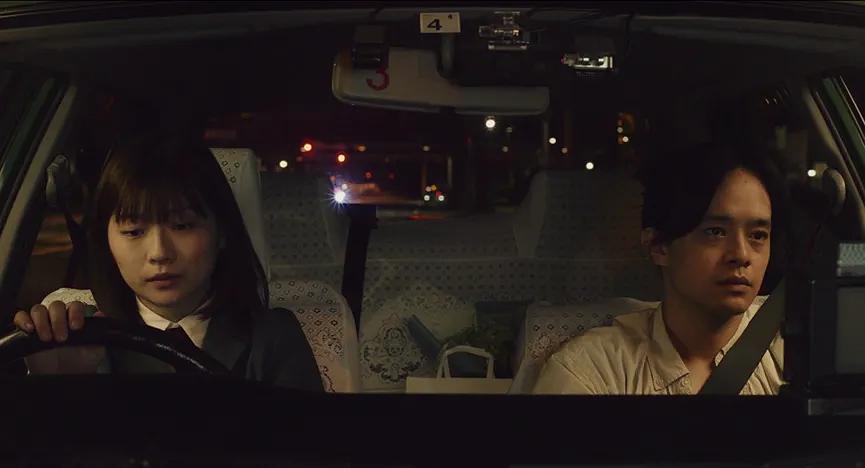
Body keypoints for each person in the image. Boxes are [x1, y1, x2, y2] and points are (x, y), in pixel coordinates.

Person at [13, 130, 324, 391]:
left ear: (222, 232)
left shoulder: (271, 338)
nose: (159, 253)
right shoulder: (81, 337)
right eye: (134, 231)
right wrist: (57, 385)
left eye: (182, 226)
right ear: (106, 240)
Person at [533, 142, 791, 395]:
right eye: (715, 232)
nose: (742, 255)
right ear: (659, 246)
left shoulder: (791, 351)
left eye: (758, 235)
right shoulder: (593, 371)